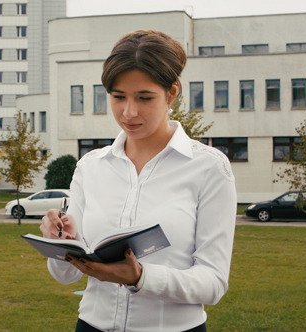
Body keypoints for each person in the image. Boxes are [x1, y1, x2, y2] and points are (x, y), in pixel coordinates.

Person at [40, 30, 236, 332]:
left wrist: (140, 277)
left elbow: (213, 282)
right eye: (118, 97)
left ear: (171, 93)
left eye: (144, 97)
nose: (128, 112)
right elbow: (67, 276)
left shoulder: (209, 167)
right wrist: (60, 242)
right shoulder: (91, 166)